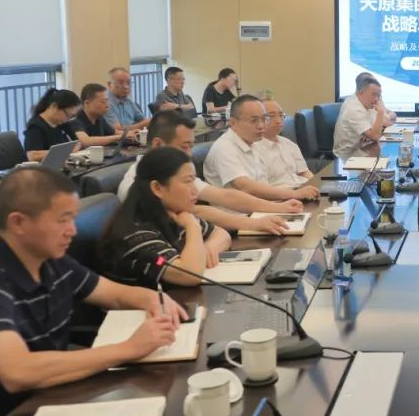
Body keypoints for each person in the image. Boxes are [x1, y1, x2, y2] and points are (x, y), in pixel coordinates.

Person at [0, 167, 185, 416]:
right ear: (18, 223)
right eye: (62, 220)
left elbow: (114, 295)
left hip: (48, 395)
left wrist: (153, 299)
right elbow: (18, 372)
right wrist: (129, 348)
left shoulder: (50, 261)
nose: (72, 230)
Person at [118, 111, 305, 235]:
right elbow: (196, 211)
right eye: (184, 146)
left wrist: (279, 208)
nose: (189, 154)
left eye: (191, 146)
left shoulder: (175, 172)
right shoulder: (137, 183)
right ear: (158, 145)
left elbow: (223, 196)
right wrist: (254, 223)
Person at [101, 147, 232, 288]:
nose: (195, 190)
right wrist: (193, 228)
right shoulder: (136, 235)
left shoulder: (175, 213)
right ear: (157, 188)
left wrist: (208, 248)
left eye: (193, 180)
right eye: (187, 181)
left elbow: (221, 234)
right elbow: (190, 274)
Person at [205, 95, 316, 201]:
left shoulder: (251, 143)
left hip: (264, 204)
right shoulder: (224, 147)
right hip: (242, 212)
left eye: (264, 119)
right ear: (233, 123)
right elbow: (246, 187)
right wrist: (293, 195)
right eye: (253, 120)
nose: (261, 126)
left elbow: (263, 186)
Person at [255, 99, 318, 193]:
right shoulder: (255, 149)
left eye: (281, 115)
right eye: (271, 116)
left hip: (302, 189)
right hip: (281, 195)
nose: (278, 121)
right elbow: (262, 189)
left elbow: (305, 172)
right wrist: (295, 194)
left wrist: (317, 187)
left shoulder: (289, 144)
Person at [333, 76, 390, 159]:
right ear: (360, 92)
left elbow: (377, 129)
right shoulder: (353, 108)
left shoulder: (366, 104)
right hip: (346, 157)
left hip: (362, 148)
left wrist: (370, 134)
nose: (376, 99)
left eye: (379, 96)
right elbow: (375, 136)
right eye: (374, 94)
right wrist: (380, 112)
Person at [23, 88, 80, 162]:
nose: (67, 119)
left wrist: (72, 149)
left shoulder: (62, 124)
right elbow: (32, 155)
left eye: (71, 117)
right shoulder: (35, 127)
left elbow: (77, 142)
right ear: (54, 106)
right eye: (67, 115)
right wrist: (64, 152)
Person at [71, 83, 129, 147]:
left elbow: (114, 132)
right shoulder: (76, 119)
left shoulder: (99, 118)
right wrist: (119, 137)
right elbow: (85, 141)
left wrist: (131, 134)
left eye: (107, 101)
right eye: (103, 102)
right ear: (87, 103)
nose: (107, 105)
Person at [104, 67, 151, 131]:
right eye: (120, 83)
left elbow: (143, 120)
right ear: (109, 84)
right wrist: (143, 124)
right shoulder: (105, 103)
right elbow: (117, 130)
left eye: (128, 83)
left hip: (133, 135)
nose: (126, 87)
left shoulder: (128, 100)